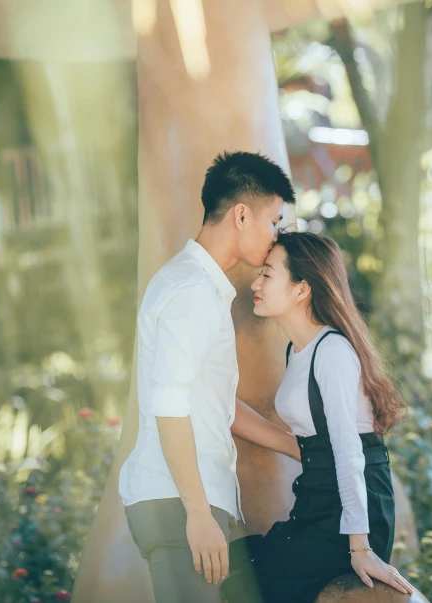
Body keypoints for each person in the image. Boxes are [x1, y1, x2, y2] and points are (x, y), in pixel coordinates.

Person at [119, 151, 300, 603]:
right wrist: (197, 514)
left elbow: (213, 402)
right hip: (179, 505)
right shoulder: (193, 292)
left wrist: (294, 447)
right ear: (241, 214)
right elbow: (169, 403)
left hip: (183, 502)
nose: (276, 235)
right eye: (274, 221)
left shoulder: (199, 289)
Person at [222, 231, 415, 603]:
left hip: (351, 517)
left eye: (267, 274)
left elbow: (348, 451)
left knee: (248, 583)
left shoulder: (332, 351)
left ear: (300, 289)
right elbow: (307, 445)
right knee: (235, 560)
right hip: (316, 502)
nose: (256, 283)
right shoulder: (298, 351)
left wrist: (360, 548)